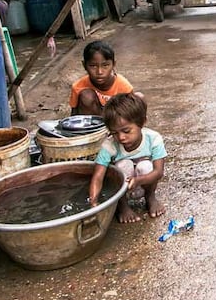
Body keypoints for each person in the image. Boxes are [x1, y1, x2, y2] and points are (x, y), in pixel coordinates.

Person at [89, 93, 166, 223]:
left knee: (146, 166)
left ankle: (150, 197)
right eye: (114, 133)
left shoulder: (153, 139)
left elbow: (158, 172)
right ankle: (123, 206)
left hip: (143, 181)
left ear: (142, 122)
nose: (121, 138)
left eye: (126, 131)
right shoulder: (109, 145)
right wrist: (93, 203)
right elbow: (98, 176)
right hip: (121, 188)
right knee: (122, 166)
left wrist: (138, 180)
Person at [69, 40, 136, 116]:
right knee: (86, 96)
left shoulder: (124, 86)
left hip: (116, 123)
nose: (100, 72)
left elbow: (132, 114)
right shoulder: (78, 87)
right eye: (93, 66)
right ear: (84, 65)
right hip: (93, 124)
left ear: (113, 64)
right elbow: (74, 116)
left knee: (139, 98)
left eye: (105, 65)